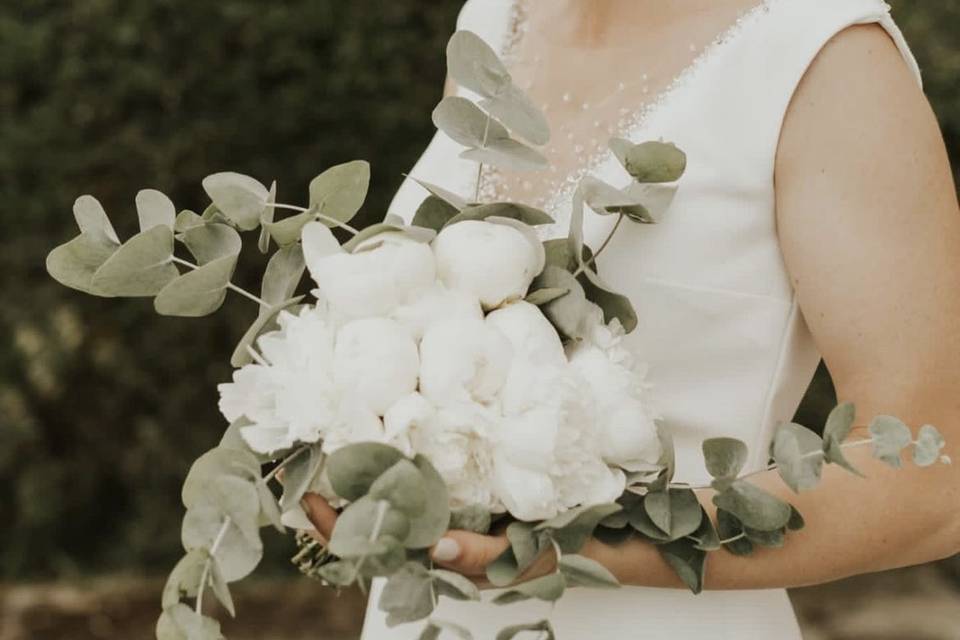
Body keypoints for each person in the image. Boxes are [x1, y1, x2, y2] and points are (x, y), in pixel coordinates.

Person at [304, 0, 960, 637]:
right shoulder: (494, 19)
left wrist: (563, 548)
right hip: (429, 616)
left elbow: (933, 485)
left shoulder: (826, 60)